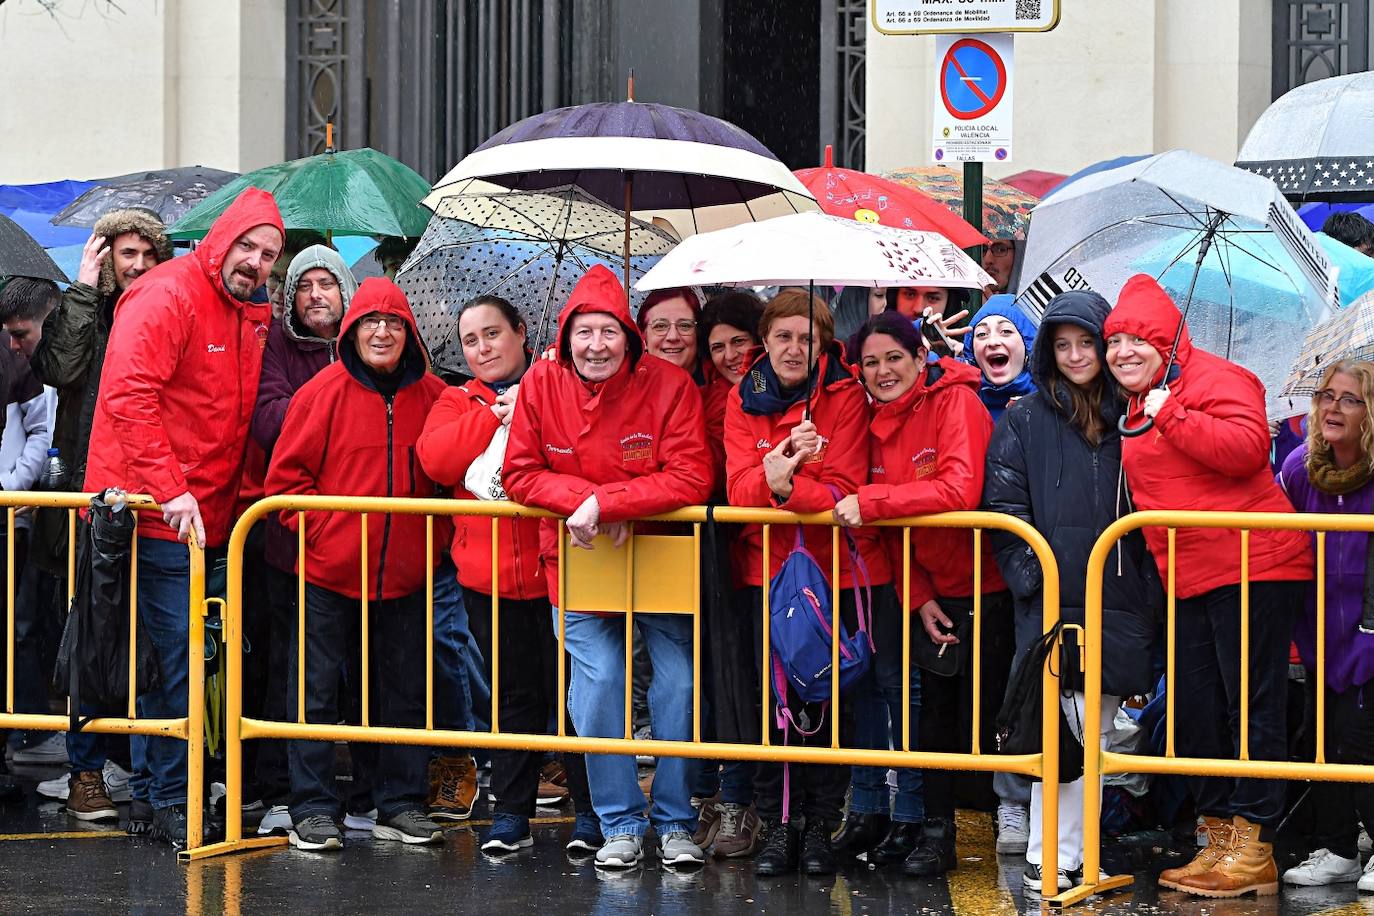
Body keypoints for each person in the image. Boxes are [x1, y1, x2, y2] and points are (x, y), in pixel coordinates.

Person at [82, 188, 283, 846]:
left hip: (199, 514)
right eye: (248, 246)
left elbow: (233, 414)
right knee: (174, 658)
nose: (256, 262)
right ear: (222, 239)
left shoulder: (249, 309)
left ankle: (157, 792)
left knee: (171, 658)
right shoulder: (168, 293)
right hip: (152, 511)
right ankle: (168, 797)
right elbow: (127, 394)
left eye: (268, 253)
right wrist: (171, 490)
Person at [1104, 273, 1312, 899]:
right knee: (1197, 711)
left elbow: (1247, 449)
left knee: (1250, 708)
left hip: (1255, 564)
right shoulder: (1138, 404)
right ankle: (1219, 834)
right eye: (1115, 342)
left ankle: (1254, 844)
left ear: (1168, 342)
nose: (1123, 354)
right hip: (1192, 576)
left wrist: (1173, 412)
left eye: (1139, 341)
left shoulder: (1216, 381)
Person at [503, 265, 713, 870]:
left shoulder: (671, 385)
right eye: (584, 333)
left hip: (659, 555)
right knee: (596, 691)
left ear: (629, 336)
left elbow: (692, 473)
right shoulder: (542, 383)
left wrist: (612, 501)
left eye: (608, 333)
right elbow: (519, 472)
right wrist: (587, 503)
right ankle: (619, 821)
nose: (596, 346)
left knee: (677, 688)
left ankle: (674, 820)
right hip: (577, 558)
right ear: (566, 338)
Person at [983, 291, 1161, 892]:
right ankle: (1055, 856)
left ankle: (1064, 854)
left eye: (1087, 342)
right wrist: (1035, 581)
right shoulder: (1023, 419)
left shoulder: (1135, 416)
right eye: (1063, 345)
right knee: (1063, 731)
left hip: (1119, 598)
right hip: (1055, 602)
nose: (1077, 354)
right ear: (1048, 352)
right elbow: (1004, 507)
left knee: (1095, 730)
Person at [266, 277, 448, 852]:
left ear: (409, 333)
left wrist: (431, 543)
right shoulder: (321, 391)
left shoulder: (437, 397)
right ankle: (313, 809)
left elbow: (452, 484)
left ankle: (399, 802)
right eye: (371, 321)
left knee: (403, 694)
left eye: (394, 322)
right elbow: (286, 485)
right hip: (328, 574)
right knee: (312, 693)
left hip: (406, 576)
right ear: (351, 331)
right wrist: (326, 539)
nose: (382, 331)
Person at [416, 294, 599, 856]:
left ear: (521, 332)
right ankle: (511, 812)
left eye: (492, 334)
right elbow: (437, 460)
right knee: (513, 699)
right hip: (487, 579)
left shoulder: (560, 387)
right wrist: (491, 416)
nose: (481, 349)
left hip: (565, 574)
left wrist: (535, 404)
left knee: (577, 699)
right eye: (470, 340)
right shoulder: (456, 398)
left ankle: (593, 814)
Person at [831, 311, 1011, 874]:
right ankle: (937, 833)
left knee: (990, 716)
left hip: (992, 584)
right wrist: (918, 595)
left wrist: (874, 502)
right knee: (931, 716)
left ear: (919, 358)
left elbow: (960, 488)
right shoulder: (872, 418)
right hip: (933, 587)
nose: (883, 371)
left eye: (894, 358)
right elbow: (882, 530)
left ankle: (1021, 818)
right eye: (871, 363)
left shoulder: (956, 401)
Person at [724, 290, 894, 877]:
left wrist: (786, 485)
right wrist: (776, 475)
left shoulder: (844, 398)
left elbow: (843, 485)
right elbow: (735, 485)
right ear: (764, 343)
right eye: (784, 337)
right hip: (764, 573)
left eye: (807, 338)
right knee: (773, 703)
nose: (795, 349)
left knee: (826, 703)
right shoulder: (739, 401)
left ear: (824, 343)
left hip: (832, 574)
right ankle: (777, 824)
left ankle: (820, 823)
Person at [24, 208, 171, 830]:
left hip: (151, 493)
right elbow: (59, 369)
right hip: (90, 497)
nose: (136, 264)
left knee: (151, 645)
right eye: (125, 253)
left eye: (146, 253)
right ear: (106, 255)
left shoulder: (168, 310)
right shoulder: (86, 306)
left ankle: (139, 771)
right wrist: (83, 288)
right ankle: (86, 771)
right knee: (89, 635)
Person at [248, 244, 361, 835]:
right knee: (291, 672)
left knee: (362, 673)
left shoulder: (371, 343)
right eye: (304, 285)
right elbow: (267, 419)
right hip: (293, 544)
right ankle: (281, 790)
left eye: (327, 283)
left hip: (365, 549)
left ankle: (363, 791)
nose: (317, 294)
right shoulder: (277, 347)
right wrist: (334, 410)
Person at [1276, 360, 1374, 892]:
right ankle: (1338, 847)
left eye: (1350, 399)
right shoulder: (1298, 466)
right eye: (1326, 395)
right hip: (1316, 635)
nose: (1333, 407)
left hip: (1371, 633)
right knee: (1324, 741)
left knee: (1362, 743)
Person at [691, 290, 765, 859]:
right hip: (714, 548)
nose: (729, 354)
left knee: (747, 682)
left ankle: (749, 797)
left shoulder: (762, 394)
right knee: (716, 680)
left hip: (755, 551)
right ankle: (722, 792)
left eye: (739, 340)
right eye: (717, 346)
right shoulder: (704, 394)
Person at [965, 295, 1038, 424]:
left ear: (1029, 345)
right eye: (982, 334)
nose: (992, 342)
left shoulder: (1053, 402)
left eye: (1005, 331)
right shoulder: (959, 400)